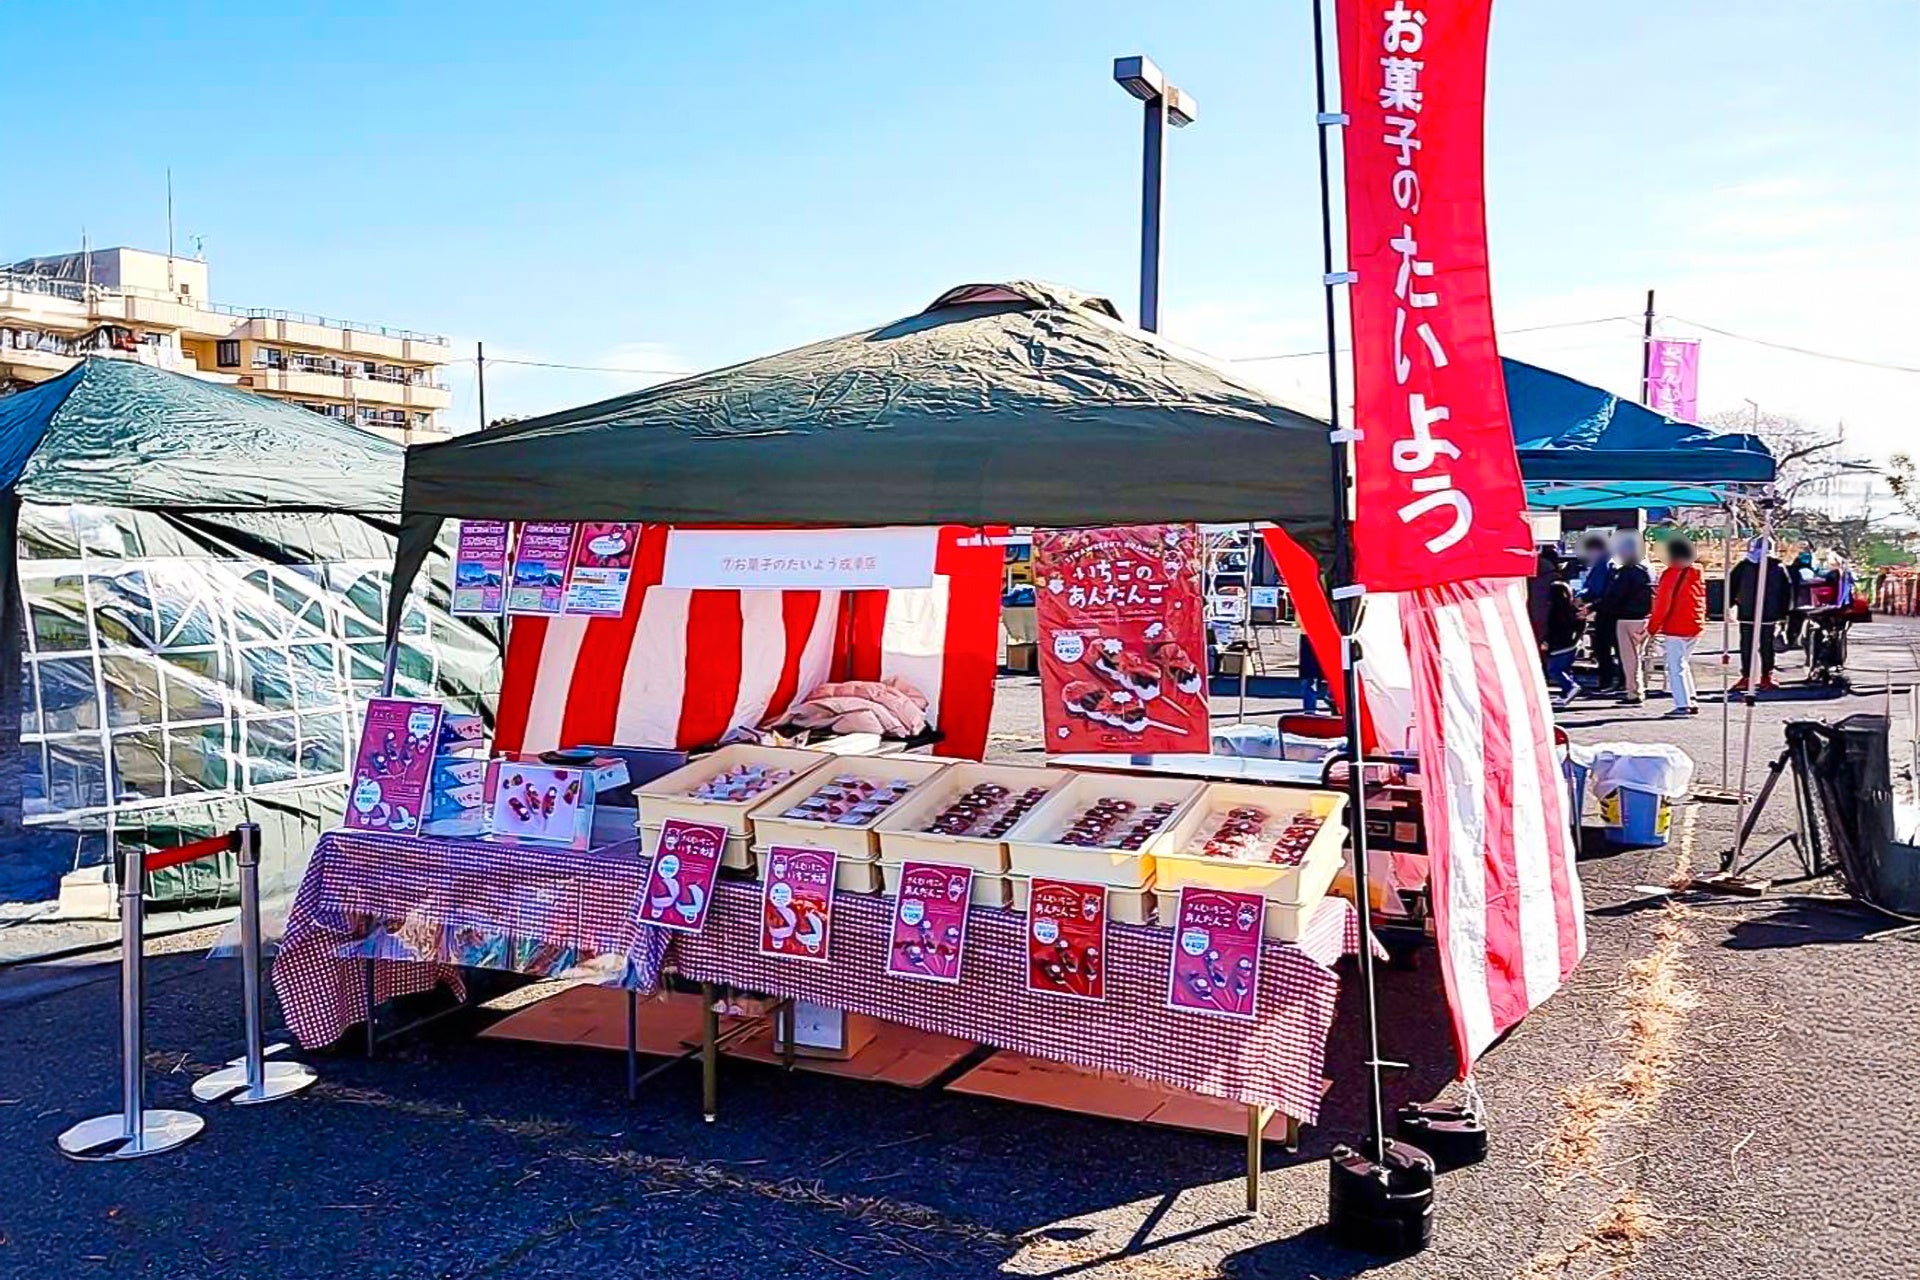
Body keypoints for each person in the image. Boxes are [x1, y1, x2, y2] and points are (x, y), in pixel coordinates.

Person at [1648, 536, 1706, 716]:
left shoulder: (1671, 574)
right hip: (1695, 624)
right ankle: (1691, 698)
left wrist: (1652, 627)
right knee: (1683, 664)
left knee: (1675, 666)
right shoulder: (1696, 571)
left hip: (1676, 625)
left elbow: (1662, 604)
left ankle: (1683, 704)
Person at [1729, 535, 1792, 692]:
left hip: (1763, 613)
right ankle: (1751, 676)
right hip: (1752, 613)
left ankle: (1763, 676)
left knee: (1761, 645)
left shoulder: (1775, 567)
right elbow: (1731, 586)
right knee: (1756, 645)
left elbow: (1785, 591)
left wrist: (1783, 613)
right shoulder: (1746, 566)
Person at [1600, 535, 1654, 703]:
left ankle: (1634, 692)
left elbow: (1615, 596)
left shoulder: (1626, 572)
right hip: (1644, 618)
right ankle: (1637, 689)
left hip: (1626, 618)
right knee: (1638, 656)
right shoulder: (1648, 570)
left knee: (1629, 658)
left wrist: (1595, 607)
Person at [1578, 535, 1619, 690]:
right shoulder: (1616, 560)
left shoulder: (1603, 563)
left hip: (1605, 611)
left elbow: (1595, 588)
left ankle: (1606, 681)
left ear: (1595, 550)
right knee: (1618, 649)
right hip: (1616, 610)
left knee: (1602, 648)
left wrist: (1582, 599)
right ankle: (1620, 681)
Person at [1544, 567, 1584, 707]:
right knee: (1564, 669)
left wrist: (1546, 641)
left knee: (1554, 669)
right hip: (1571, 644)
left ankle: (1570, 687)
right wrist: (1578, 638)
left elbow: (1552, 629)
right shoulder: (1573, 610)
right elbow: (1581, 624)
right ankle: (1566, 693)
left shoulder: (1555, 612)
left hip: (1559, 645)